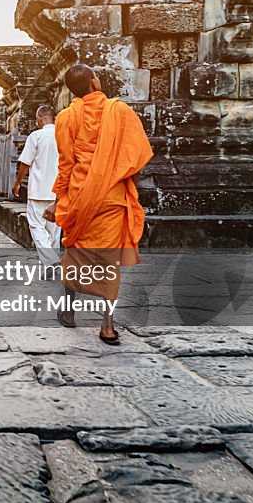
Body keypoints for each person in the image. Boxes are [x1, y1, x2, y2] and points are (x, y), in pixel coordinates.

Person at [43, 64, 153, 345]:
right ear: (94, 81)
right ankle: (107, 326)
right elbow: (136, 157)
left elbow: (66, 164)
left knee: (75, 252)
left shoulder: (66, 117)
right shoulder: (121, 112)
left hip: (79, 198)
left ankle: (68, 309)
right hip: (111, 199)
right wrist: (122, 182)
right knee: (107, 262)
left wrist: (59, 201)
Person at [12, 105, 61, 267]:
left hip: (37, 191)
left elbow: (25, 163)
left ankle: (51, 262)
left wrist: (18, 183)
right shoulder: (63, 135)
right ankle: (52, 263)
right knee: (54, 231)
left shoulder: (36, 136)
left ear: (40, 119)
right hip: (57, 192)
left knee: (37, 227)